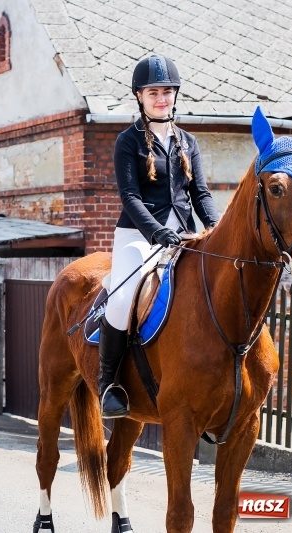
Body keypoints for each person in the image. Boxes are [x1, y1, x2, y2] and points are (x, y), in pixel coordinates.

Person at [98, 55, 220, 419]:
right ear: (139, 96)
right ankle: (108, 383)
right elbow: (130, 197)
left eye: (167, 91)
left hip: (181, 235)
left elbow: (201, 194)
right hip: (137, 235)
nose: (161, 98)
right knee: (122, 299)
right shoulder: (128, 141)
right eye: (154, 92)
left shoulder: (188, 142)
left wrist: (214, 230)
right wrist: (157, 232)